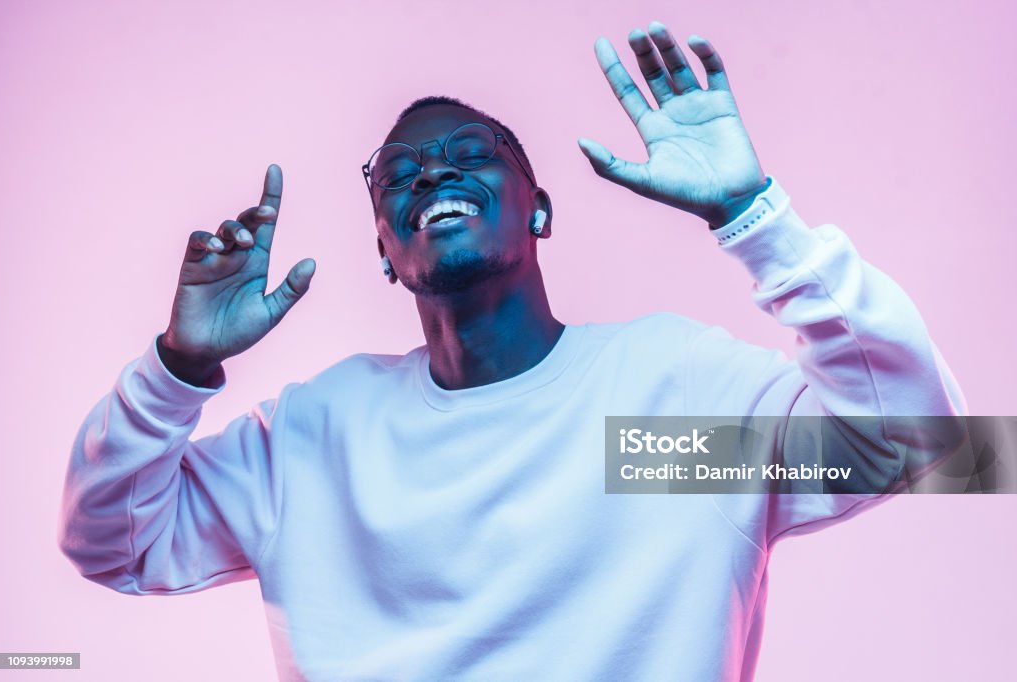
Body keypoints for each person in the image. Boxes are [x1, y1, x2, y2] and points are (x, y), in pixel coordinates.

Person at [57, 21, 965, 681]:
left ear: (538, 207)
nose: (432, 172)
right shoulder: (316, 436)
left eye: (468, 154)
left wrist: (753, 216)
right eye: (399, 173)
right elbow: (110, 543)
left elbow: (922, 444)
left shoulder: (662, 409)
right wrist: (177, 370)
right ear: (385, 249)